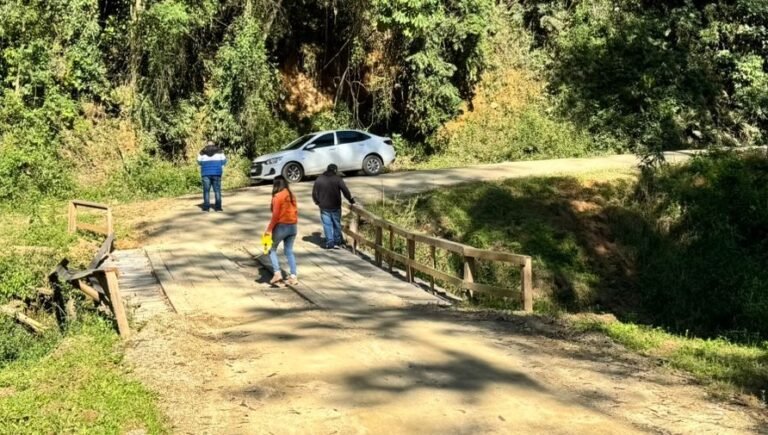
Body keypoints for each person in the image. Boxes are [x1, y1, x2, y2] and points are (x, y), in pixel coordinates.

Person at [312, 164, 355, 249]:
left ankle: (330, 242)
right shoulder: (337, 179)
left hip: (324, 207)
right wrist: (350, 199)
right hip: (335, 206)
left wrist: (317, 202)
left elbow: (314, 193)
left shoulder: (319, 179)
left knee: (327, 225)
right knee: (336, 224)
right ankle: (337, 241)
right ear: (335, 170)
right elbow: (345, 191)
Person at [265, 176, 298, 285]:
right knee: (289, 251)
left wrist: (269, 230)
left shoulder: (277, 197)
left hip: (281, 227)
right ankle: (293, 276)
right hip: (293, 226)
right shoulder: (291, 195)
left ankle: (277, 273)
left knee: (272, 249)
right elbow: (296, 211)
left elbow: (275, 216)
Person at [197, 140, 227, 212]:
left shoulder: (202, 152)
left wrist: (205, 164)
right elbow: (224, 161)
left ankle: (206, 208)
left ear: (207, 144)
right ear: (214, 144)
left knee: (206, 191)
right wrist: (219, 165)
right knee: (217, 191)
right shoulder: (219, 151)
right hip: (217, 173)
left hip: (205, 173)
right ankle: (218, 208)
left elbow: (199, 162)